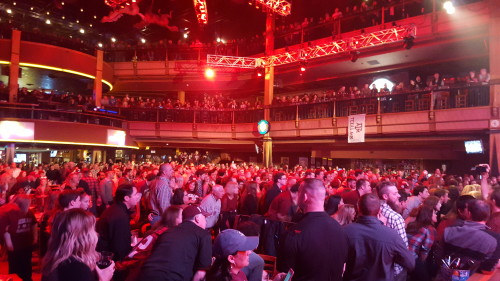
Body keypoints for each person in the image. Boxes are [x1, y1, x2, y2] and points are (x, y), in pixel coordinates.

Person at [277, 179, 347, 280]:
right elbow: (342, 267)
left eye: (299, 192)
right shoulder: (340, 230)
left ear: (305, 197)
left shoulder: (294, 234)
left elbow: (286, 275)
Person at [343, 194, 415, 281]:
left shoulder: (346, 231)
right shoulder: (391, 235)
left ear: (358, 209)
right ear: (379, 210)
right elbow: (410, 263)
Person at [139, 205, 212, 281]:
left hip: (146, 274)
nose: (206, 221)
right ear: (197, 219)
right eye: (204, 217)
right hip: (173, 277)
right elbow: (200, 274)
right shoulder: (204, 234)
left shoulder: (166, 232)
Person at [41, 209, 114, 281]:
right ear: (84, 236)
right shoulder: (77, 268)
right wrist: (104, 278)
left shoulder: (56, 260)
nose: (96, 234)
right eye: (92, 229)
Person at [117, 205, 183, 281]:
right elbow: (137, 255)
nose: (185, 218)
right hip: (137, 272)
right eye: (182, 216)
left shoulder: (161, 229)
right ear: (174, 218)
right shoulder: (162, 234)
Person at [96, 184, 141, 280]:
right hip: (113, 264)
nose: (138, 196)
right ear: (126, 198)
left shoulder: (116, 209)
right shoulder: (120, 216)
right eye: (135, 194)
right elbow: (120, 247)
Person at [0, 195, 37, 281]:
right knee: (23, 265)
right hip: (20, 244)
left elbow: (6, 230)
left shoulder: (10, 211)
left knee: (19, 266)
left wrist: (9, 245)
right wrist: (35, 238)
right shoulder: (12, 212)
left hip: (20, 244)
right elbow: (6, 229)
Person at [378, 181, 408, 281]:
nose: (399, 195)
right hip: (395, 270)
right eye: (395, 194)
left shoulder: (373, 210)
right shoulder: (395, 218)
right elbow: (403, 248)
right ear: (385, 196)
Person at [406, 205, 437, 281]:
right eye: (434, 213)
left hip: (404, 256)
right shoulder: (429, 229)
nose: (436, 215)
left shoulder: (412, 225)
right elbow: (425, 251)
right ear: (428, 215)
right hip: (413, 259)